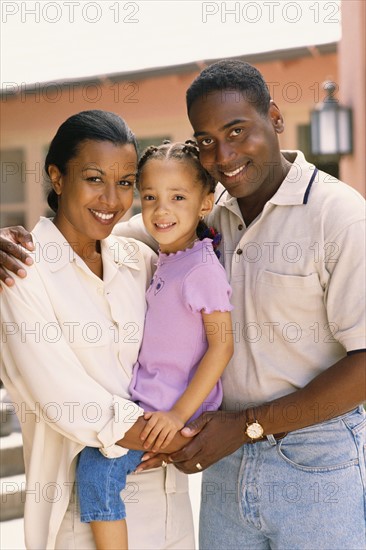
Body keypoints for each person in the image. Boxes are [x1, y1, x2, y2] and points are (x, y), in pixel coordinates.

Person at [1, 60, 365, 549]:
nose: (224, 154)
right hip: (202, 466)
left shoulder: (338, 216)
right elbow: (105, 233)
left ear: (275, 118)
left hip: (304, 460)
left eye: (237, 130)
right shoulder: (204, 218)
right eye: (207, 140)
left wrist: (229, 428)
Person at [0, 110, 196, 550]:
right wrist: (180, 435)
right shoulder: (21, 273)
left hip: (170, 495)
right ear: (57, 176)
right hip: (83, 509)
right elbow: (64, 399)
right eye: (93, 178)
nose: (112, 199)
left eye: (126, 183)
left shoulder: (140, 260)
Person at [76, 140, 233, 550]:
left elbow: (222, 348)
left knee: (97, 470)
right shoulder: (164, 258)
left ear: (205, 203)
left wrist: (178, 414)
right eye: (150, 197)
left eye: (178, 197)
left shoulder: (201, 268)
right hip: (150, 403)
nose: (162, 210)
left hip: (172, 411)